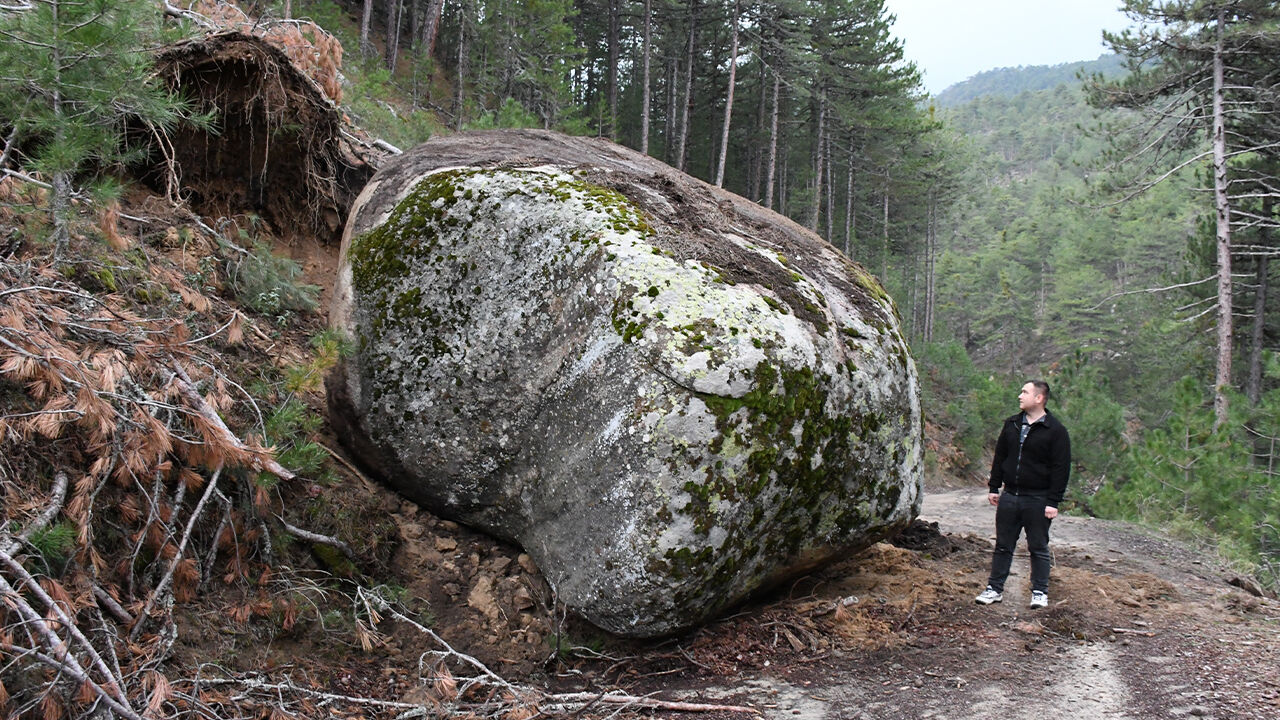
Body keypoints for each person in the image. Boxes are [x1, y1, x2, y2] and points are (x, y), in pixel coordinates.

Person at [974, 380, 1071, 609]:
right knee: (1003, 545)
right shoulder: (1012, 424)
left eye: (1025, 392)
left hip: (1037, 499)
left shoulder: (1055, 430)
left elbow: (1061, 468)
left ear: (1039, 398)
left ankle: (1039, 592)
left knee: (1038, 547)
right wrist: (994, 487)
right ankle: (994, 589)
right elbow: (1000, 456)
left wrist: (1053, 501)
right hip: (1010, 496)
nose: (1020, 396)